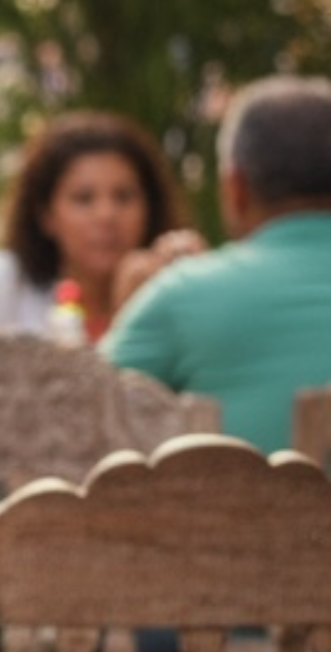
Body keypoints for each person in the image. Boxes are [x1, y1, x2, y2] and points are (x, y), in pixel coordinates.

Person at [103, 75, 331, 452]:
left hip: (254, 511)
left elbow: (73, 432)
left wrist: (125, 307)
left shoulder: (182, 294)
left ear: (236, 188)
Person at [0, 110, 203, 348]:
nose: (106, 215)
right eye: (83, 199)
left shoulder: (172, 292)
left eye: (124, 197)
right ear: (46, 215)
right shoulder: (2, 283)